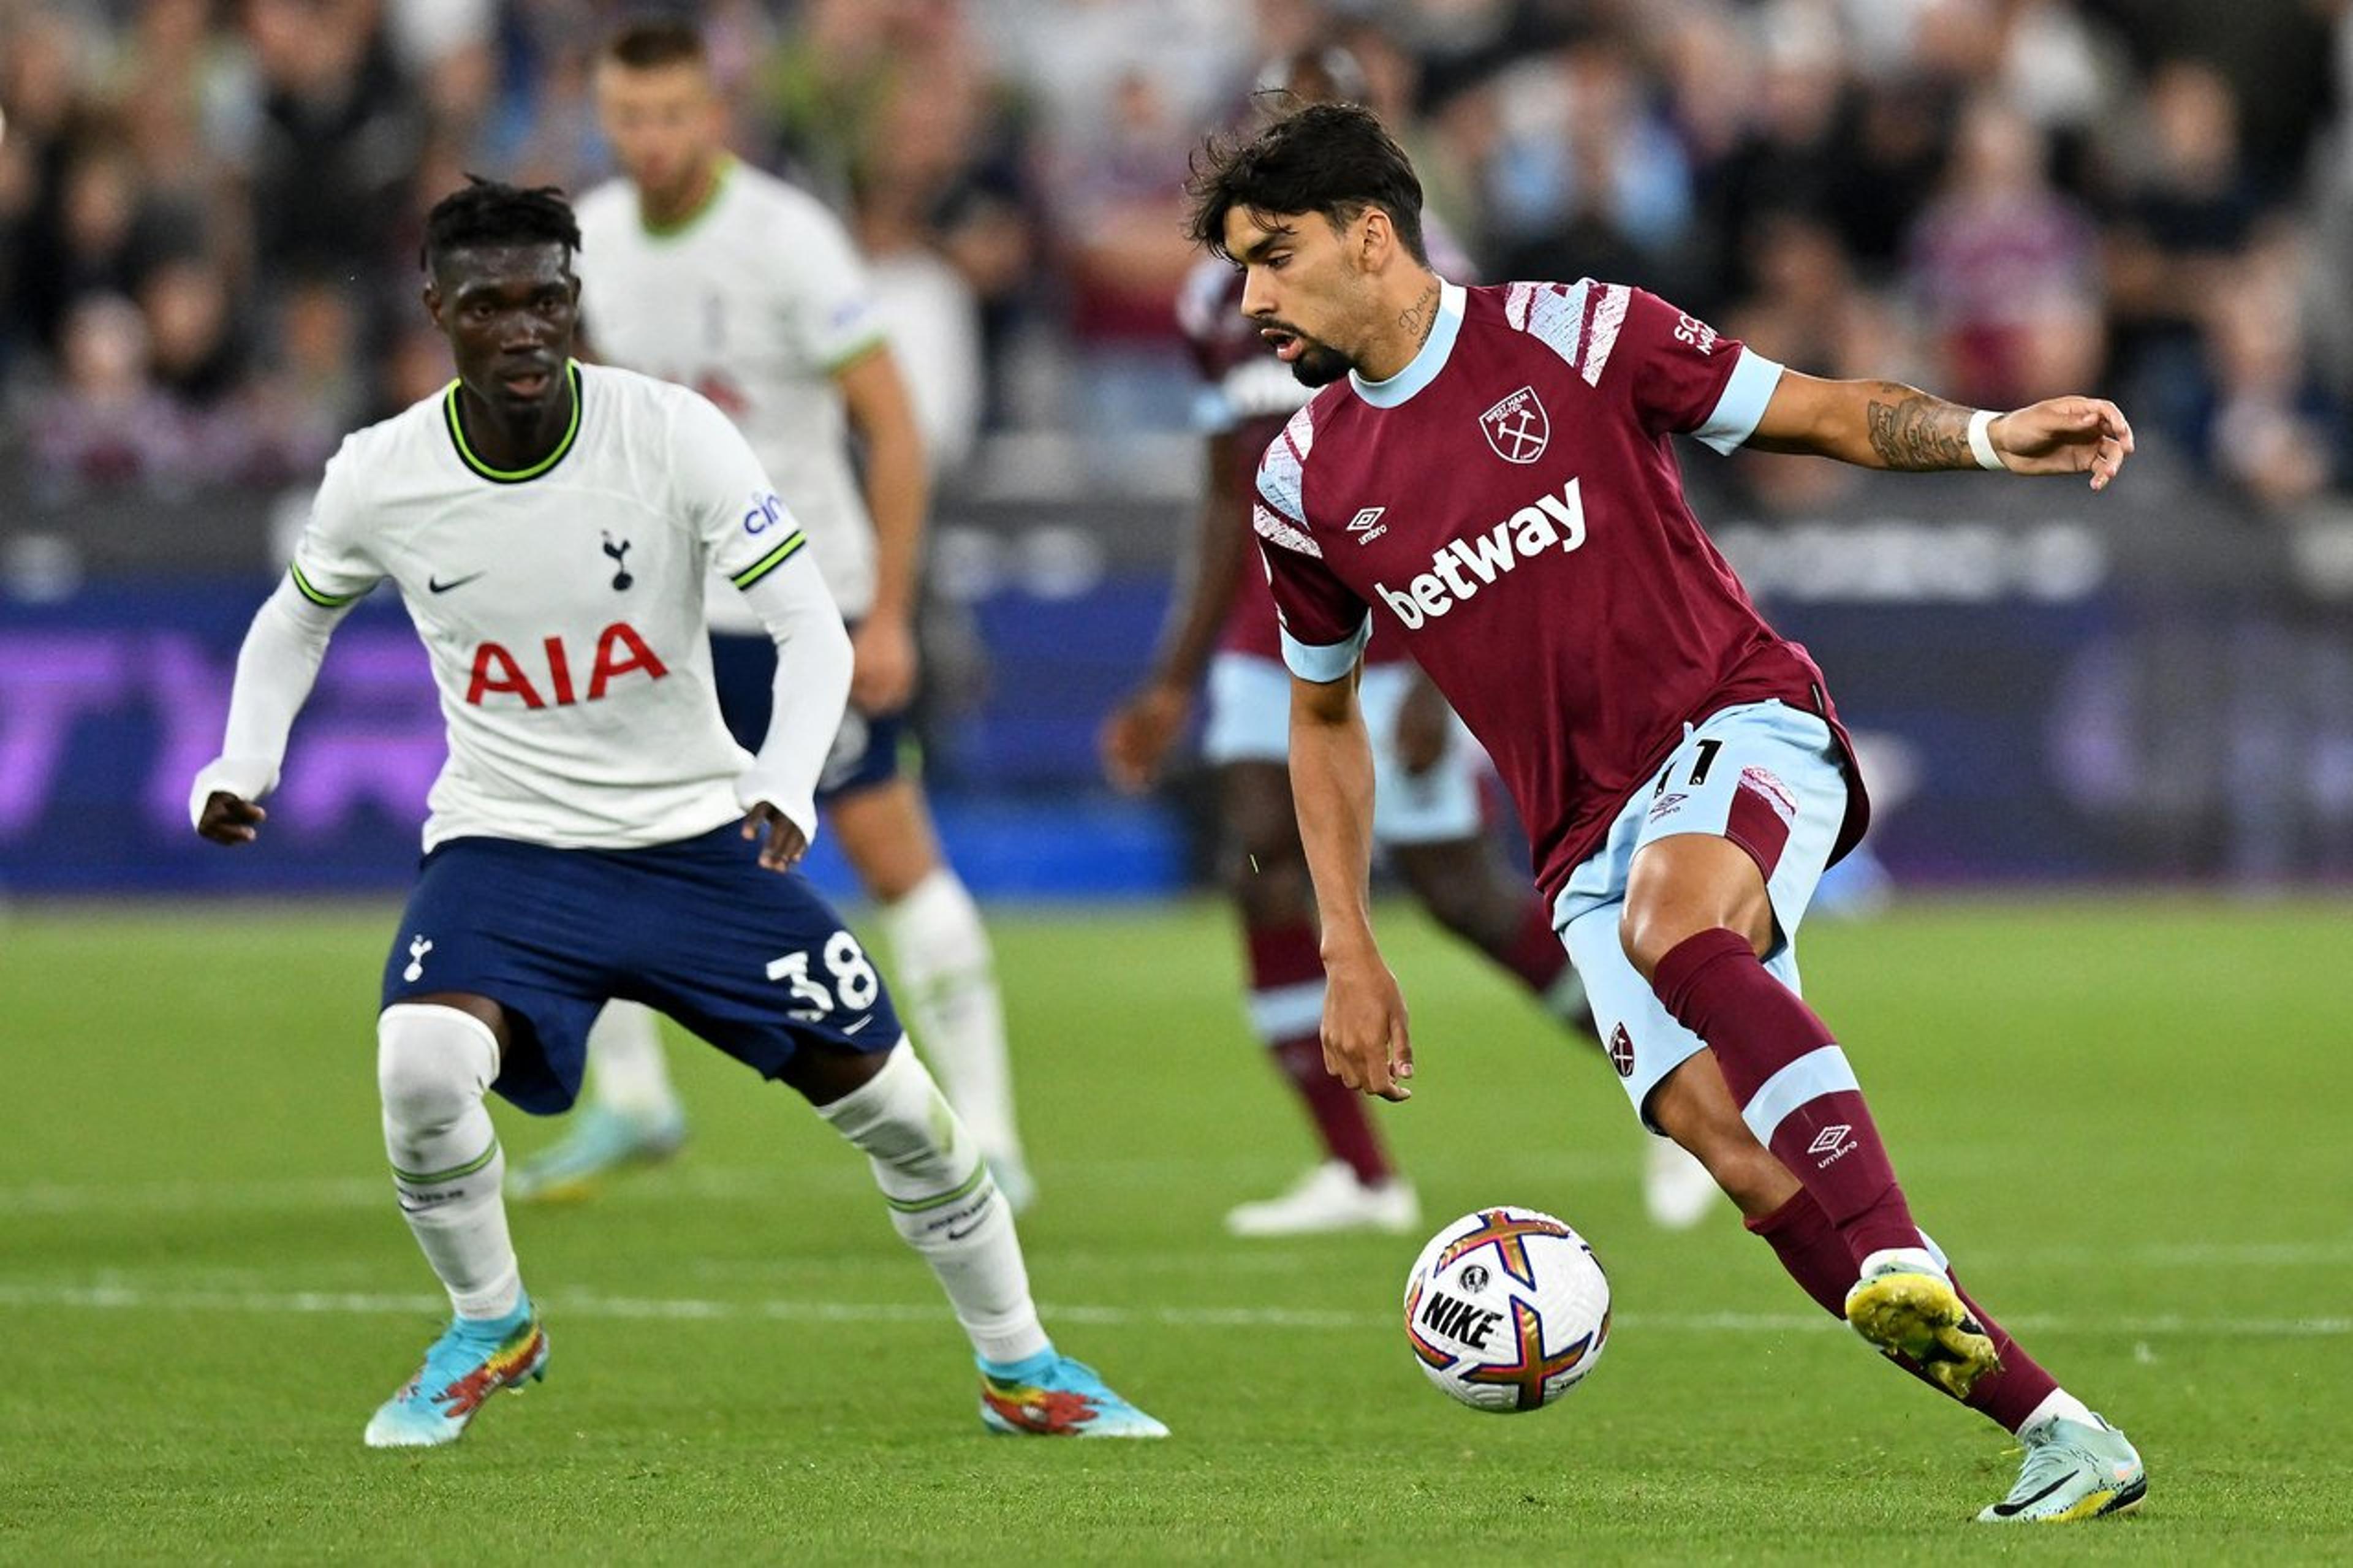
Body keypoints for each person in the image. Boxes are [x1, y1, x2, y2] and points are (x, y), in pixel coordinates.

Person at [1184, 103, 2143, 1523]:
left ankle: (1897, 1250)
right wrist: (1347, 941)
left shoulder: (1576, 333)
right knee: (1741, 1158)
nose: (1249, 298)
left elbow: (1813, 410)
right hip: (1578, 837)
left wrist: (1995, 437)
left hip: (1736, 721)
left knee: (1677, 922)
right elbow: (1320, 721)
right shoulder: (1303, 481)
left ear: (1369, 235)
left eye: (1271, 256)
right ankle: (2064, 1434)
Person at [190, 179, 1161, 1447]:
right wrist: (241, 759)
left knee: (903, 1110)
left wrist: (782, 774)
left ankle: (1021, 1366)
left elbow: (812, 620)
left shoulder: (673, 435)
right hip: (509, 844)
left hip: (698, 843)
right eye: (492, 305)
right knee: (419, 1064)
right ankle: (490, 1320)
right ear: (439, 311)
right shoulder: (382, 474)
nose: (526, 328)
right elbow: (292, 621)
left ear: (575, 299)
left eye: (548, 298)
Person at [1102, 50, 1716, 1237]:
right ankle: (1359, 1170)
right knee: (1259, 854)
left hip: (1411, 621)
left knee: (1461, 892)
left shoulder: (1448, 285)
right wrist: (1174, 677)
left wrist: (1447, 673)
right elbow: (1228, 492)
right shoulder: (1219, 302)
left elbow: (1484, 486)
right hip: (1263, 631)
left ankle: (1680, 1085)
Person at [509, 19, 1033, 1211]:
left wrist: (889, 612)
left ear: (715, 115)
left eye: (670, 116)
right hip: (665, 613)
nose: (648, 141)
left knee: (893, 851)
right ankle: (637, 1100)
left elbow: (894, 425)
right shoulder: (592, 240)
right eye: (628, 117)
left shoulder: (788, 240)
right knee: (584, 830)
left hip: (807, 603)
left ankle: (993, 1134)